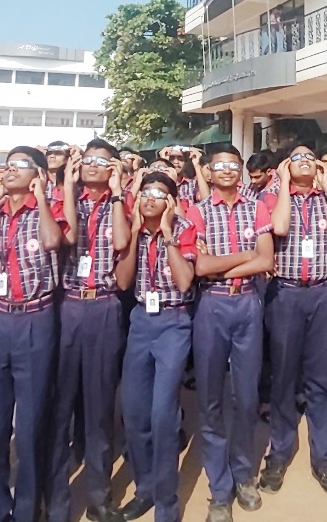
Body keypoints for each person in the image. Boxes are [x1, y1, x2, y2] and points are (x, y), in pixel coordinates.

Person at [0, 146, 63, 522]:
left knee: (31, 424)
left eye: (20, 166)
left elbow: (52, 242)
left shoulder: (48, 210)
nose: (10, 171)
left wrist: (41, 199)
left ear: (35, 174)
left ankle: (27, 507)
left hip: (36, 319)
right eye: (8, 166)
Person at [259, 144, 327, 499]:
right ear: (286, 165)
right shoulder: (272, 195)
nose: (304, 163)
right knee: (284, 376)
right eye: (297, 158)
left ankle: (324, 458)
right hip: (285, 294)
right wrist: (283, 182)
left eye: (309, 158)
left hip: (322, 292)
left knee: (319, 377)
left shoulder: (325, 197)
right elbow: (281, 227)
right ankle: (279, 453)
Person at [182, 144, 275, 522]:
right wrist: (243, 259)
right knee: (211, 398)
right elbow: (200, 268)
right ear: (207, 171)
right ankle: (219, 489)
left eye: (233, 165)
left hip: (247, 305)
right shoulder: (196, 211)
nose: (227, 171)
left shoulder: (258, 207)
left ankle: (243, 474)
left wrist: (220, 265)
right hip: (212, 306)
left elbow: (267, 259)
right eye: (219, 166)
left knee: (247, 395)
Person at [51, 140, 131, 522]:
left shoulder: (123, 203)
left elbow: (120, 242)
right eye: (88, 160)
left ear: (113, 168)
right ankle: (55, 495)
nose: (93, 166)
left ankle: (99, 493)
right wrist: (66, 187)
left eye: (103, 161)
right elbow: (65, 238)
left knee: (99, 405)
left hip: (103, 304)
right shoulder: (62, 200)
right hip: (67, 305)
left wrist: (116, 196)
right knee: (60, 403)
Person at [115, 174, 195, 522]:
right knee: (133, 412)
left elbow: (184, 280)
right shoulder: (132, 230)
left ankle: (166, 504)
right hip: (140, 322)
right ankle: (144, 488)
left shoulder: (184, 228)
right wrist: (134, 236)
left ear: (171, 202)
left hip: (174, 323)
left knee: (163, 414)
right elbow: (122, 280)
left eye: (159, 194)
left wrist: (167, 235)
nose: (150, 199)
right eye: (145, 192)